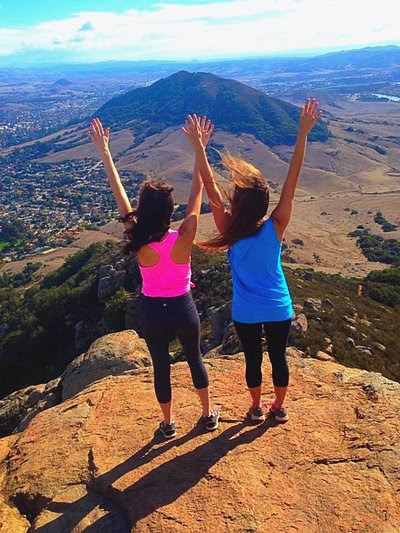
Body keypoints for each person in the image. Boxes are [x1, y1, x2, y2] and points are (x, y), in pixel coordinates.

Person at [184, 100, 321, 423]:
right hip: (278, 306)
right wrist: (302, 133)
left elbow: (211, 188)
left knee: (253, 360)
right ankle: (279, 408)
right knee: (279, 358)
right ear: (264, 204)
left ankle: (257, 408)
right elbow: (292, 180)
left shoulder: (230, 232)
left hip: (246, 310)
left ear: (238, 203)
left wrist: (199, 148)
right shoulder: (276, 227)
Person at [87, 116, 219, 439]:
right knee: (195, 360)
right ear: (170, 211)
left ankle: (168, 423)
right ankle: (208, 415)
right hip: (183, 307)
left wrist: (105, 153)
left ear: (143, 211)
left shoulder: (138, 238)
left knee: (161, 367)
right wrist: (199, 149)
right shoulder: (184, 236)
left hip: (152, 311)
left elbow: (119, 196)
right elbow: (198, 188)